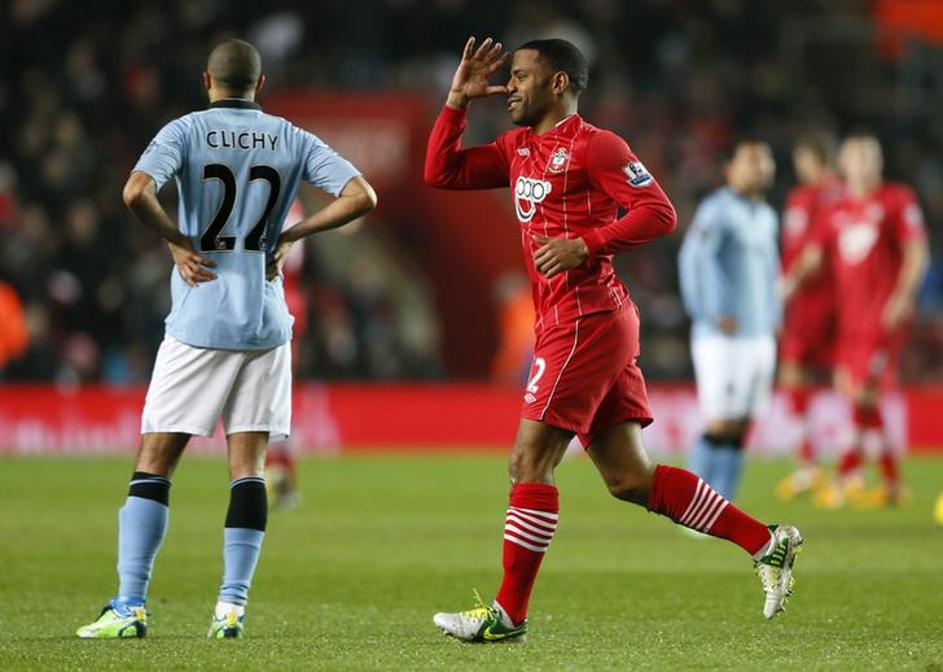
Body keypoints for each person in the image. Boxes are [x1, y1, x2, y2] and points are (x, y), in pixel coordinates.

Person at [424, 36, 803, 643]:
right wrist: (456, 101)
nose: (508, 86)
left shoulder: (596, 146)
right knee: (630, 478)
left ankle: (508, 615)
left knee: (528, 461)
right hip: (576, 320)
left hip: (586, 318)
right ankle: (767, 542)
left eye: (520, 75)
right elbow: (440, 172)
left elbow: (659, 211)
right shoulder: (517, 148)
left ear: (558, 83)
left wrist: (587, 243)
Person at [76, 39, 376, 639]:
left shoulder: (186, 130)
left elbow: (135, 192)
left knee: (154, 464)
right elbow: (362, 195)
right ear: (260, 85)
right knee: (249, 469)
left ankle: (130, 606)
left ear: (206, 80)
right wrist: (292, 236)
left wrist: (176, 240)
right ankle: (230, 609)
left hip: (201, 320)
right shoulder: (291, 137)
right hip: (266, 323)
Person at [784, 133, 928, 509]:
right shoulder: (836, 209)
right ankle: (892, 482)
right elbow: (813, 256)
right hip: (847, 319)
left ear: (880, 162)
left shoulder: (897, 200)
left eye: (871, 157)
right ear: (844, 165)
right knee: (858, 394)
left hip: (883, 315)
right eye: (858, 157)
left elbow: (917, 252)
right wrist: (786, 286)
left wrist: (902, 297)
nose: (865, 164)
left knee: (863, 392)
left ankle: (845, 475)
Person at [678, 139, 780, 503]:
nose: (760, 168)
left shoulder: (766, 215)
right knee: (720, 421)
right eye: (751, 161)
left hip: (759, 334)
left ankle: (724, 504)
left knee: (742, 423)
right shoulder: (717, 210)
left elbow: (772, 270)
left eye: (764, 161)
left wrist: (774, 315)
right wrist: (707, 311)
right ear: (730, 169)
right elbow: (693, 258)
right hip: (722, 335)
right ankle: (692, 506)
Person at [775, 134, 843, 501]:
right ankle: (835, 464)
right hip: (822, 296)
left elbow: (813, 252)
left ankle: (812, 463)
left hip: (812, 297)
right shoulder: (820, 195)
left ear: (815, 158)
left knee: (794, 373)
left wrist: (786, 285)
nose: (799, 166)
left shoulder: (822, 196)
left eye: (802, 159)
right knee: (838, 376)